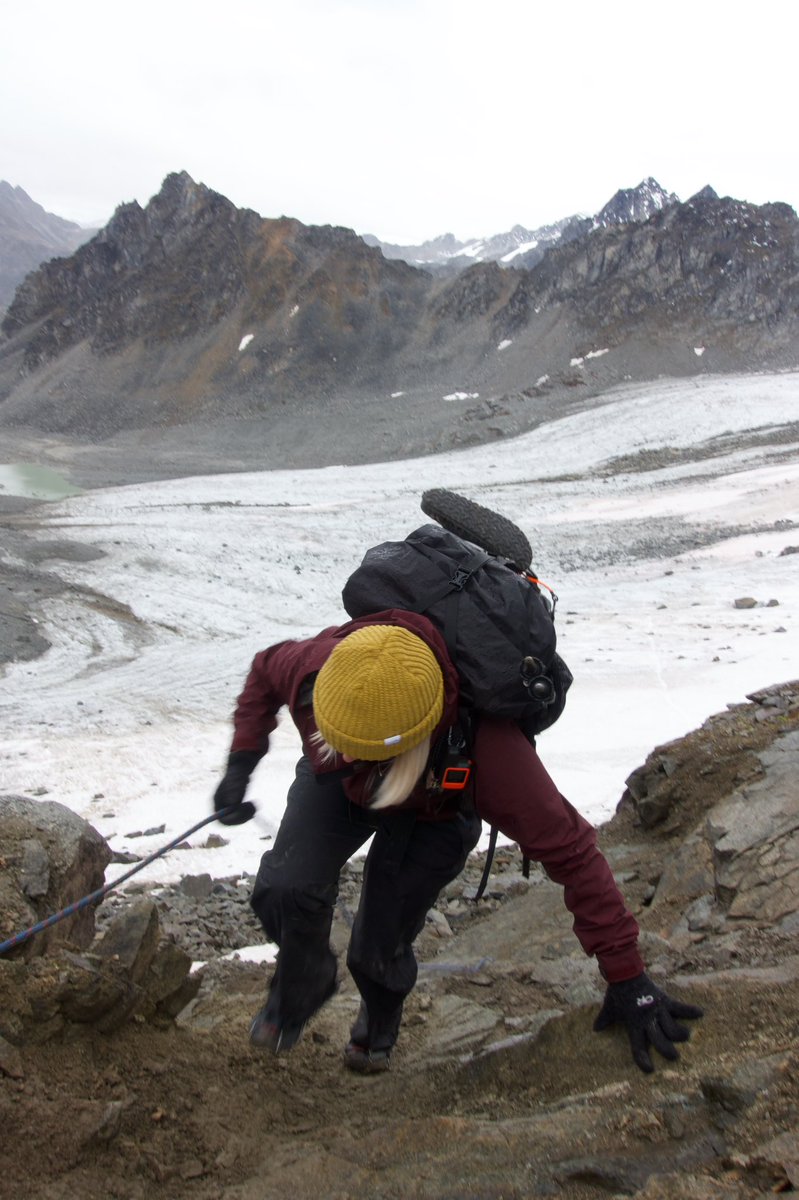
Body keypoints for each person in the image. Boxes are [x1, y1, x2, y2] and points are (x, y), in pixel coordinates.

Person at [213, 609, 703, 1075]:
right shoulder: (321, 670)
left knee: (378, 943)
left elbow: (573, 852)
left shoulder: (489, 755)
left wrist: (629, 980)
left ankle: (379, 1021)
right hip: (339, 780)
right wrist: (241, 763)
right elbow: (263, 671)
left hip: (437, 807)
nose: (347, 748)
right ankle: (304, 984)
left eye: (360, 746)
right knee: (284, 887)